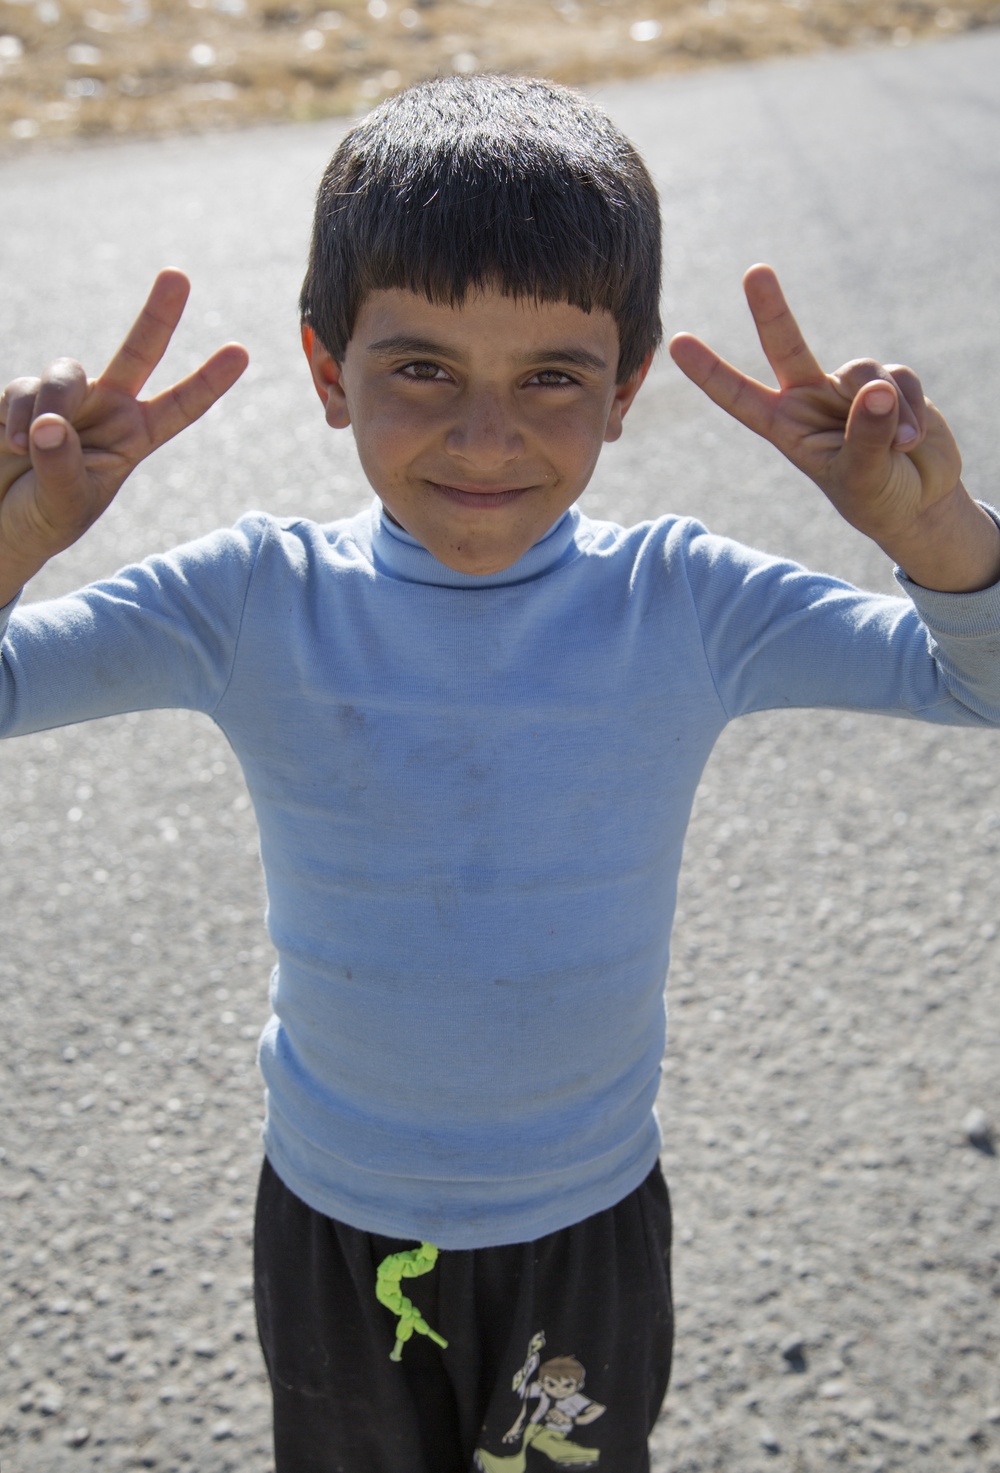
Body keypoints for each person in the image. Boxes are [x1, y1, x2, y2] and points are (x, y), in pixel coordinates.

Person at [1, 73, 999, 1473]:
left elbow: (975, 674)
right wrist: (14, 537)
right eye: (421, 368)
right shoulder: (251, 600)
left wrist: (936, 525)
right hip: (340, 1221)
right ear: (324, 367)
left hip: (582, 1222)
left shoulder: (683, 603)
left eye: (552, 377)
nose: (486, 435)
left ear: (628, 386)